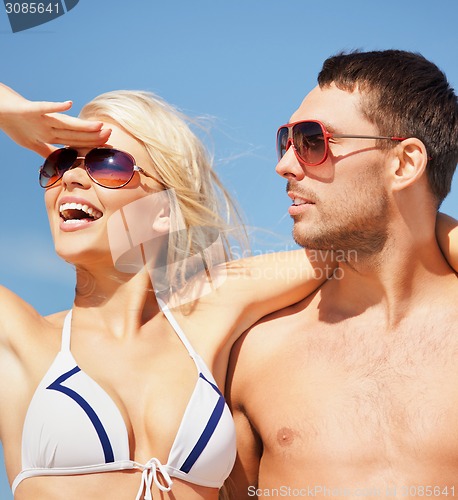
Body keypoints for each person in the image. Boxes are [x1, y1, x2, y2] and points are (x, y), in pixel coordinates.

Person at [0, 83, 335, 500]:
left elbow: (372, 242)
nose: (70, 176)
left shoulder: (209, 313)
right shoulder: (18, 335)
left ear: (163, 211)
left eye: (106, 164)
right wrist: (6, 108)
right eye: (61, 160)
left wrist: (445, 242)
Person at [226, 49, 458, 499]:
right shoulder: (255, 353)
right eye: (286, 142)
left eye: (313, 141)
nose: (285, 165)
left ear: (405, 162)